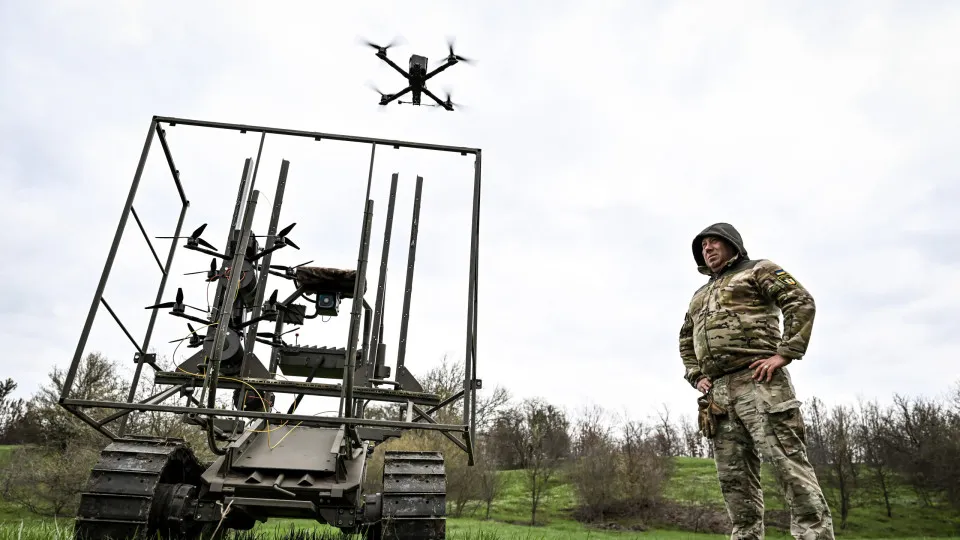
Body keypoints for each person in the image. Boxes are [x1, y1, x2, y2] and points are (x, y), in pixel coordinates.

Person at [678, 222, 834, 539]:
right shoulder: (699, 295)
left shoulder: (758, 269)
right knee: (734, 479)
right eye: (703, 245)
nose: (707, 248)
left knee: (787, 465)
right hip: (719, 396)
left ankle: (814, 534)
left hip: (760, 381)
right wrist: (696, 375)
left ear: (732, 244)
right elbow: (685, 339)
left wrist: (786, 352)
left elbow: (799, 300)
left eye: (714, 242)